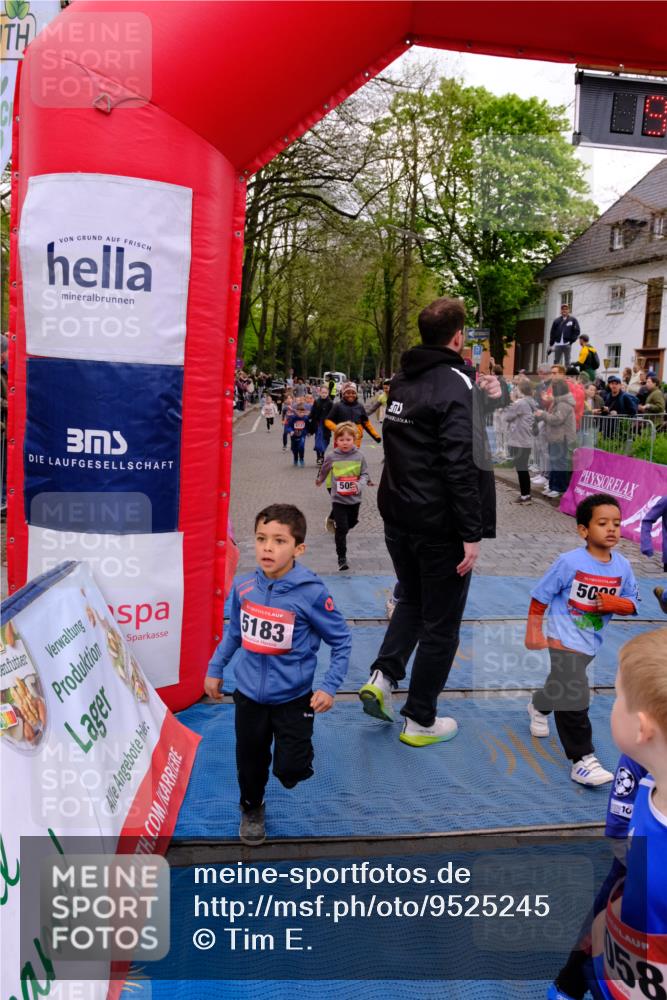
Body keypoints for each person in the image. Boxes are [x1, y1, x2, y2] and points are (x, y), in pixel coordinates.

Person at [357, 296, 500, 747]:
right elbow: (460, 460)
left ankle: (383, 677)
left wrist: (486, 398)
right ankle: (420, 718)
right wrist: (470, 533)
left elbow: (438, 432)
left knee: (413, 600)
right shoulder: (456, 383)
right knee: (442, 624)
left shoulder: (403, 380)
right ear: (459, 338)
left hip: (400, 516)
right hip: (440, 525)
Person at [204, 504, 351, 845]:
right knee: (250, 759)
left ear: (298, 548)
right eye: (261, 538)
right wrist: (215, 669)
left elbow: (340, 639)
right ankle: (252, 806)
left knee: (290, 771)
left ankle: (296, 760)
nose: (268, 548)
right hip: (249, 697)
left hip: (293, 698)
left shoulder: (311, 593)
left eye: (279, 540)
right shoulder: (243, 589)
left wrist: (329, 687)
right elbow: (234, 635)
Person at [524, 493, 638, 786]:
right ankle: (582, 759)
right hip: (562, 637)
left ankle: (539, 705)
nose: (611, 529)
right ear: (584, 530)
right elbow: (540, 597)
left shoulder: (622, 567)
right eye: (602, 523)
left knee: (561, 684)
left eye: (616, 523)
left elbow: (632, 602)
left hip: (590, 641)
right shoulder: (568, 562)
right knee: (574, 692)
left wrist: (616, 604)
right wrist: (534, 631)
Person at [588, 630, 667, 999]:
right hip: (624, 961)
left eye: (617, 696)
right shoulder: (647, 791)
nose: (611, 703)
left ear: (641, 727)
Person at [315, 421, 369, 571]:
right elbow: (325, 470)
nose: (345, 443)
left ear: (354, 439)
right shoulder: (332, 456)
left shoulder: (359, 456)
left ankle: (333, 519)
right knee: (342, 529)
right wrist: (319, 480)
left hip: (354, 498)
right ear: (336, 440)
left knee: (352, 522)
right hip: (338, 498)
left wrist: (360, 484)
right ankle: (342, 558)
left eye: (348, 440)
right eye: (341, 440)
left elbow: (364, 473)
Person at [535, 378, 576, 498]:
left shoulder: (563, 404)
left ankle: (559, 488)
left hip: (561, 438)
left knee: (559, 463)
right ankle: (553, 486)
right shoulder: (559, 402)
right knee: (554, 462)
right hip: (556, 437)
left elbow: (556, 419)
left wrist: (542, 414)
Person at [504, 381, 538, 503]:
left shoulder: (521, 403)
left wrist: (513, 400)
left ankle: (525, 495)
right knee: (523, 467)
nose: (515, 391)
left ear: (521, 390)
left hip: (519, 440)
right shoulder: (532, 402)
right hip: (526, 439)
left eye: (517, 389)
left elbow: (508, 417)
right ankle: (526, 494)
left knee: (521, 468)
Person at [325, 382, 381, 447]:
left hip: (356, 442)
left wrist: (376, 436)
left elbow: (366, 423)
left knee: (354, 457)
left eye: (353, 393)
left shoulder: (360, 406)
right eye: (348, 393)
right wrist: (338, 429)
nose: (351, 395)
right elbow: (328, 421)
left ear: (356, 394)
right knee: (339, 456)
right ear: (343, 394)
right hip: (341, 442)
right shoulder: (337, 406)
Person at [308, 385, 333, 465]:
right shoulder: (317, 401)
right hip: (318, 424)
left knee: (326, 440)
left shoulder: (330, 402)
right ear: (319, 393)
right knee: (318, 440)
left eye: (325, 393)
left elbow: (333, 414)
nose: (324, 394)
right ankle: (319, 457)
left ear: (328, 393)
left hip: (327, 424)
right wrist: (308, 418)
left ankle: (322, 454)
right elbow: (313, 411)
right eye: (322, 392)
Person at [285, 400, 309, 467]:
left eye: (303, 412)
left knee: (301, 447)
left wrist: (307, 432)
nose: (301, 414)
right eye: (299, 412)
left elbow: (307, 427)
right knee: (294, 448)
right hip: (294, 436)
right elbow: (288, 426)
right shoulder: (293, 418)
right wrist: (291, 431)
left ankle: (301, 459)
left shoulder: (305, 418)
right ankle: (295, 458)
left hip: (302, 436)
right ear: (296, 411)